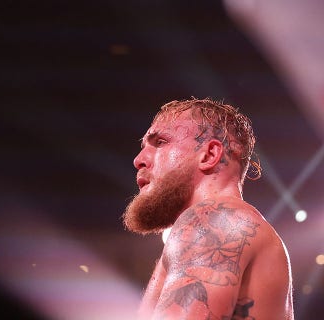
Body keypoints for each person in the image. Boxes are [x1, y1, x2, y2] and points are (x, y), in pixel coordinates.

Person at [122, 98, 294, 319]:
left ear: (210, 155)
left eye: (160, 142)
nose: (139, 160)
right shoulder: (219, 223)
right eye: (143, 147)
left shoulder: (215, 219)